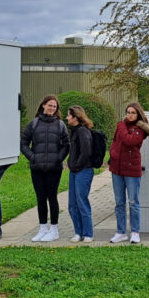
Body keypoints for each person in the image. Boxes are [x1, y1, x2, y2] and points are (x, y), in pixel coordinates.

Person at [20, 95, 69, 242]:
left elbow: (66, 145)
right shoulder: (33, 124)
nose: (52, 108)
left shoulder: (60, 125)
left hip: (54, 168)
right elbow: (23, 143)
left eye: (54, 106)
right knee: (41, 198)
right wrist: (33, 157)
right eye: (50, 105)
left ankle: (54, 230)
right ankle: (42, 229)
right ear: (43, 105)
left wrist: (58, 158)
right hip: (37, 168)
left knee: (52, 197)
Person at [109, 102, 149, 244]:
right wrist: (113, 154)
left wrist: (121, 125)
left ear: (138, 114)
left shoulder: (139, 129)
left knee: (133, 202)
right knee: (119, 202)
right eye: (128, 112)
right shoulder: (122, 126)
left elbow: (129, 141)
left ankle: (135, 232)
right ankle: (121, 232)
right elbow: (115, 142)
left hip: (132, 170)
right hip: (117, 169)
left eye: (133, 112)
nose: (129, 115)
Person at [65, 104, 95, 243]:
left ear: (75, 117)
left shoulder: (83, 131)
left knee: (82, 202)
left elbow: (86, 152)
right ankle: (78, 232)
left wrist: (76, 166)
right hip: (74, 172)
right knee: (72, 204)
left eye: (69, 115)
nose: (67, 118)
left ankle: (88, 233)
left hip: (83, 171)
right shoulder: (74, 131)